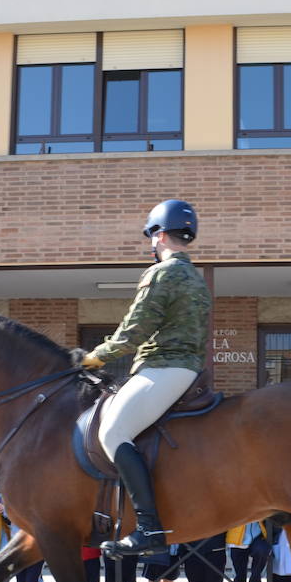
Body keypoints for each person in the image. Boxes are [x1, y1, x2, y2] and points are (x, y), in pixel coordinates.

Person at [80, 198, 211, 557]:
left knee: (112, 432)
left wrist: (95, 356)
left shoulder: (162, 273)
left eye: (152, 237)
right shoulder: (195, 277)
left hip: (164, 367)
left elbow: (134, 331)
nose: (152, 244)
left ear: (161, 234)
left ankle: (149, 528)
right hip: (183, 367)